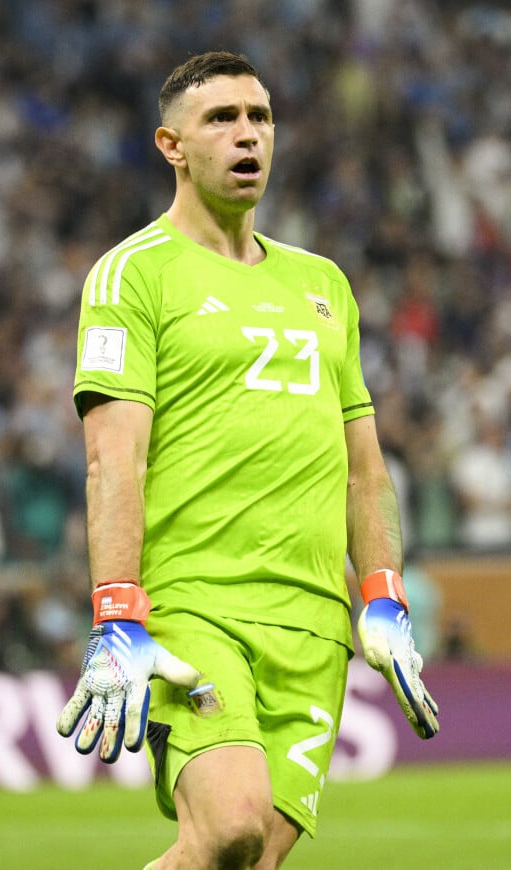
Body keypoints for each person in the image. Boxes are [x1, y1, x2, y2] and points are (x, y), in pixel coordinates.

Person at [57, 51, 439, 870]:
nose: (247, 135)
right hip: (196, 604)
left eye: (259, 118)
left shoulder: (324, 284)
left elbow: (364, 468)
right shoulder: (132, 274)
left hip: (311, 620)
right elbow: (112, 460)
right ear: (171, 145)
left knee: (249, 858)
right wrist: (118, 612)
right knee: (227, 825)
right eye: (221, 119)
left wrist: (383, 595)